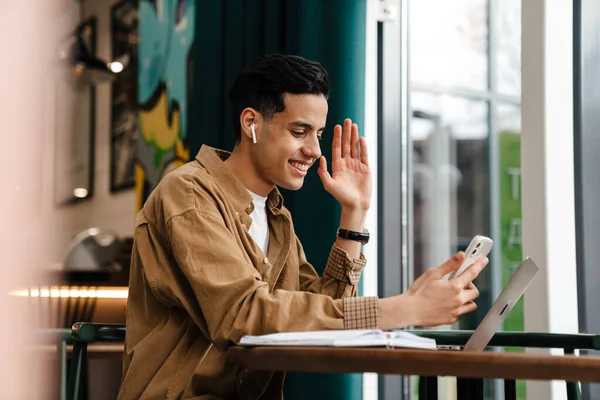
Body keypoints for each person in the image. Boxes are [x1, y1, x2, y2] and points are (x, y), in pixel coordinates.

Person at [118, 54, 487, 400]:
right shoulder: (188, 195)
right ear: (252, 124)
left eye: (319, 134)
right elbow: (245, 316)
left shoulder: (277, 218)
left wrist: (353, 214)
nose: (314, 150)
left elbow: (325, 316)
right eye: (299, 131)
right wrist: (403, 309)